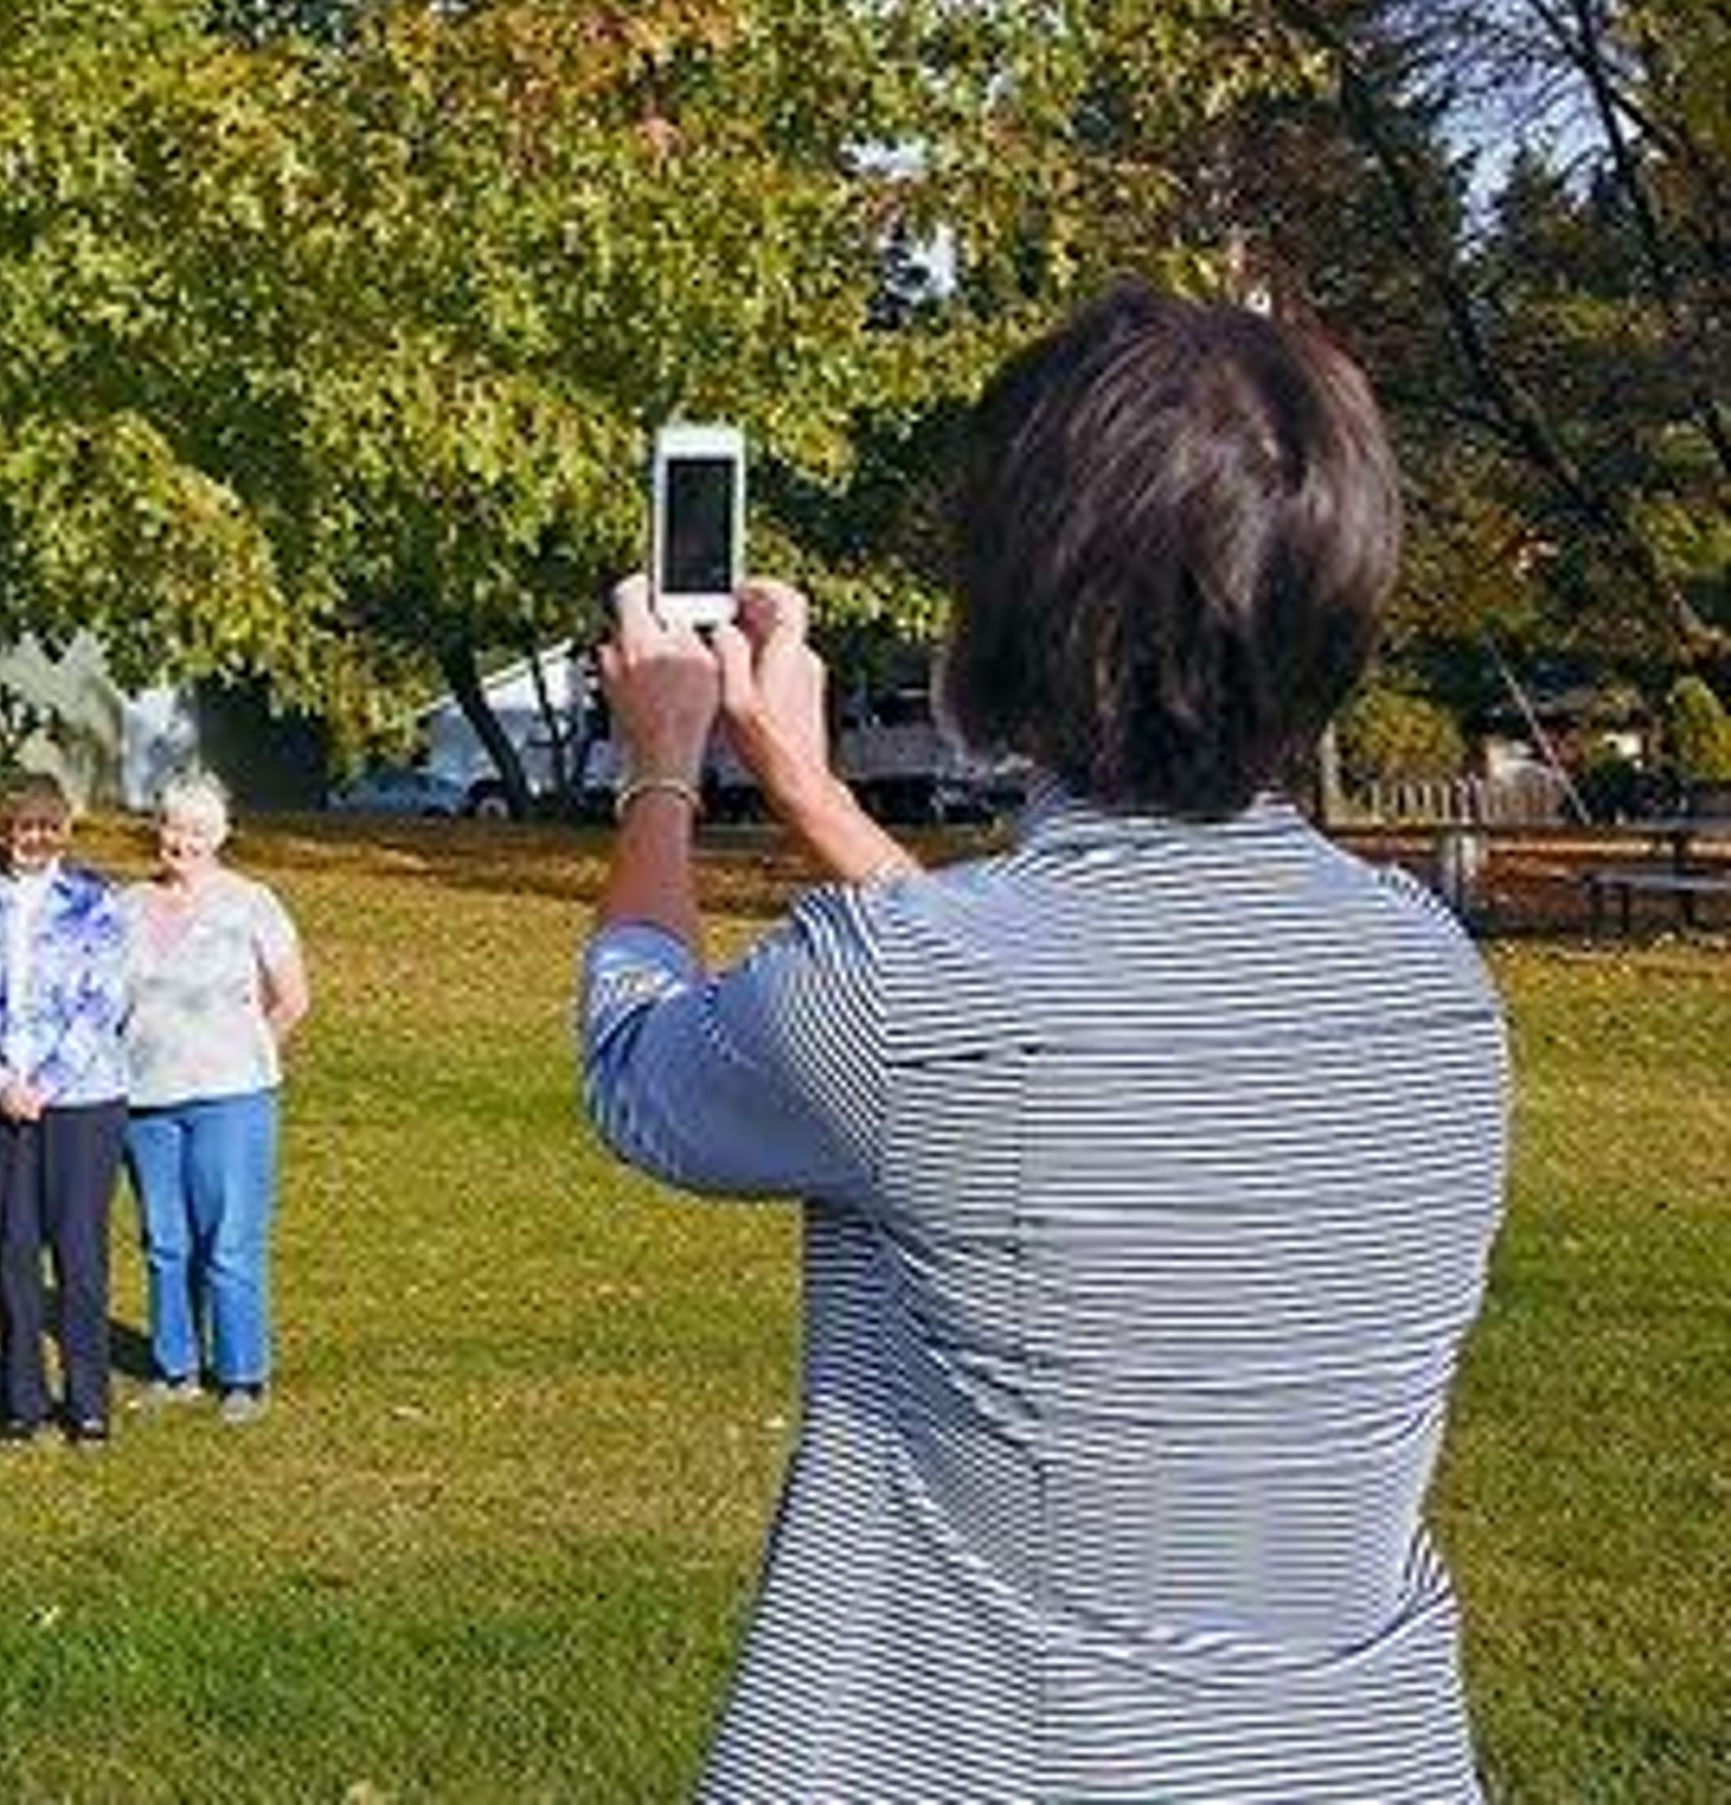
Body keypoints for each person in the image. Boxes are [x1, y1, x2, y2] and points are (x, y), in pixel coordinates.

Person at [581, 287, 1508, 1802]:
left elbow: (641, 1064)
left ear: (1013, 606)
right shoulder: (1432, 976)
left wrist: (664, 772)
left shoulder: (910, 1000)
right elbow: (1062, 1016)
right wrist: (813, 793)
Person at [0, 773, 134, 1445]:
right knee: (12, 1250)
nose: (35, 839)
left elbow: (103, 1002)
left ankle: (87, 1401)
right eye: (25, 827)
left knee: (79, 1253)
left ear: (65, 833)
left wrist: (46, 1081)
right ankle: (21, 1400)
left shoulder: (96, 901)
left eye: (48, 828)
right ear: (7, 832)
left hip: (80, 1101)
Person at [118, 775, 309, 1423]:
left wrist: (248, 1051)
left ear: (220, 835)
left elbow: (292, 998)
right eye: (174, 827)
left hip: (232, 1096)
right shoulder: (126, 904)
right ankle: (176, 1367)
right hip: (145, 1097)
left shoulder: (252, 902)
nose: (183, 841)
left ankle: (242, 1373)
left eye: (198, 830)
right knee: (165, 1239)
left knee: (229, 1239)